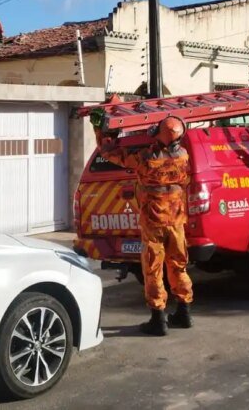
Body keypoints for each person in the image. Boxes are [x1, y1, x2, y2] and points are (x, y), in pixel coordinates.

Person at [90, 110, 194, 336]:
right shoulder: (184, 156)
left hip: (154, 221)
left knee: (154, 268)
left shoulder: (146, 158)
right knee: (178, 265)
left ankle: (158, 319)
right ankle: (184, 312)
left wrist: (102, 131)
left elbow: (110, 153)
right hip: (176, 221)